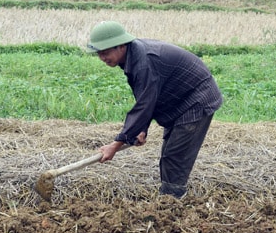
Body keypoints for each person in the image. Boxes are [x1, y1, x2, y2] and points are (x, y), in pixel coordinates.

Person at [86, 21, 223, 198]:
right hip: (178, 101)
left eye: (105, 53)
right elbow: (147, 95)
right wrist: (141, 129)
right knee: (170, 153)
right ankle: (170, 197)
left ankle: (171, 201)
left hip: (196, 99)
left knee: (175, 156)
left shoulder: (144, 61)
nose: (102, 58)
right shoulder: (132, 55)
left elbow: (144, 105)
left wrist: (116, 144)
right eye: (99, 54)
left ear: (120, 46)